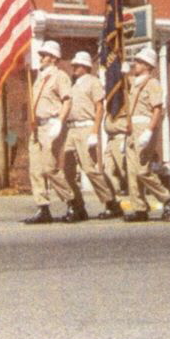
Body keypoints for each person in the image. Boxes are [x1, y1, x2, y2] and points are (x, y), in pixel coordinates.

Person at [61, 51, 120, 222]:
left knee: (90, 169)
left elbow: (99, 108)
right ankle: (78, 206)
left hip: (87, 127)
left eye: (78, 65)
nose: (74, 67)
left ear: (86, 66)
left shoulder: (93, 82)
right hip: (71, 129)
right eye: (74, 65)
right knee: (66, 170)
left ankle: (111, 203)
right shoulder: (72, 85)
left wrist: (95, 132)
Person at [123, 46, 170, 222]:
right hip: (132, 129)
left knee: (142, 170)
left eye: (139, 62)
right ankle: (139, 208)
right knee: (132, 172)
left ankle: (166, 198)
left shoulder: (153, 83)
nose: (135, 64)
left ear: (148, 65)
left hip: (145, 127)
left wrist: (149, 131)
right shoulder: (135, 82)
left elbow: (157, 109)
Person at [23, 40, 75, 224]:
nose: (41, 58)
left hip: (51, 125)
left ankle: (71, 202)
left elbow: (67, 100)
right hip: (37, 127)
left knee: (49, 167)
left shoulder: (60, 76)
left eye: (44, 55)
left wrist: (60, 122)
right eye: (40, 55)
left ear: (53, 58)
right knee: (35, 169)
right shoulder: (40, 77)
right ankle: (43, 208)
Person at [99, 61, 131, 219]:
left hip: (120, 138)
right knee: (106, 173)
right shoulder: (112, 92)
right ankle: (114, 204)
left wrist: (125, 77)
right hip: (111, 140)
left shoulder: (125, 89)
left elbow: (128, 91)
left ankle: (141, 203)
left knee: (126, 172)